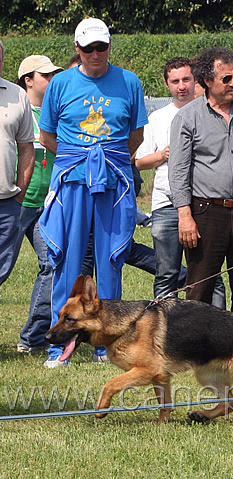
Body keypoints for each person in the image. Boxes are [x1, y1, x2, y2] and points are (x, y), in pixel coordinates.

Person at [38, 17, 148, 367]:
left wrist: (107, 161)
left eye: (102, 47)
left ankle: (107, 343)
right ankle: (60, 346)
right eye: (88, 48)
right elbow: (47, 137)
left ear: (109, 46)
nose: (96, 54)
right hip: (72, 181)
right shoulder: (60, 84)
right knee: (67, 261)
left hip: (113, 182)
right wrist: (81, 160)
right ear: (77, 49)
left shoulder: (129, 81)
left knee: (112, 259)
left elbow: (136, 137)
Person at [168, 47, 233, 329]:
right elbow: (177, 172)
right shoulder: (187, 118)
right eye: (226, 79)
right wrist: (184, 215)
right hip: (205, 214)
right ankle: (195, 350)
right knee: (199, 290)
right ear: (206, 81)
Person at [136, 57, 225, 307]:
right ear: (167, 85)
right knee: (166, 274)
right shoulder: (157, 118)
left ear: (196, 80)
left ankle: (216, 332)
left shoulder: (212, 113)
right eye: (175, 81)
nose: (181, 86)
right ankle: (166, 333)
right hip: (166, 204)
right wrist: (163, 155)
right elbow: (140, 161)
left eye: (186, 79)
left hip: (205, 203)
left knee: (210, 276)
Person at [13, 55, 63, 353]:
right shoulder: (14, 110)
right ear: (27, 80)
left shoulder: (54, 114)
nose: (52, 78)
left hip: (45, 205)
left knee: (51, 264)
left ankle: (32, 338)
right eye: (45, 75)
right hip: (15, 204)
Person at [0, 40, 36, 298]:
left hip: (7, 203)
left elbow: (27, 149)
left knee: (2, 269)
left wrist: (19, 194)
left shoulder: (17, 95)